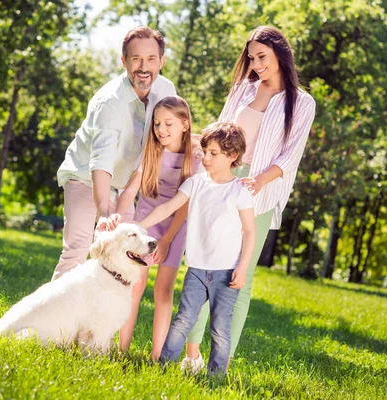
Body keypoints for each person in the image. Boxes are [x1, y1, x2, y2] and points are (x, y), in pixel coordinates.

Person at [182, 25, 317, 371]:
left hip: (259, 192)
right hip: (221, 181)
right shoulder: (244, 88)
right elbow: (221, 130)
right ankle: (192, 356)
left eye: (263, 57)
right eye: (252, 58)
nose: (257, 64)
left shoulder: (301, 102)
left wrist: (258, 181)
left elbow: (290, 156)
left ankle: (220, 365)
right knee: (203, 264)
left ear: (280, 55)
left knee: (238, 278)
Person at [115, 121, 256, 374]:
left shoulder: (240, 191)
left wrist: (243, 268)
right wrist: (139, 225)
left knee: (220, 327)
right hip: (196, 270)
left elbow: (249, 231)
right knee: (182, 321)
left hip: (226, 272)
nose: (206, 158)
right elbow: (167, 208)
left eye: (214, 154)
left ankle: (215, 376)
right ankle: (163, 366)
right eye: (204, 152)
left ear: (232, 156)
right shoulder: (196, 183)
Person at [52, 26, 176, 281]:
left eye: (151, 59)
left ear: (161, 61)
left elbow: (155, 150)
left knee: (122, 259)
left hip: (124, 183)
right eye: (136, 59)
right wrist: (104, 211)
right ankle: (49, 319)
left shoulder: (166, 93)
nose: (144, 67)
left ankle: (98, 320)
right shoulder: (109, 102)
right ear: (124, 61)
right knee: (78, 250)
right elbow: (101, 162)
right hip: (85, 176)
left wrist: (123, 200)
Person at [110, 96, 202, 358]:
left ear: (185, 124)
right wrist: (120, 218)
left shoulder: (194, 158)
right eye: (157, 124)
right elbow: (130, 192)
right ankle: (121, 349)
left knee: (163, 290)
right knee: (135, 286)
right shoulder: (151, 151)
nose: (161, 129)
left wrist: (166, 240)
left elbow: (183, 207)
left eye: (168, 123)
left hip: (175, 228)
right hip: (145, 222)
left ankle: (156, 356)